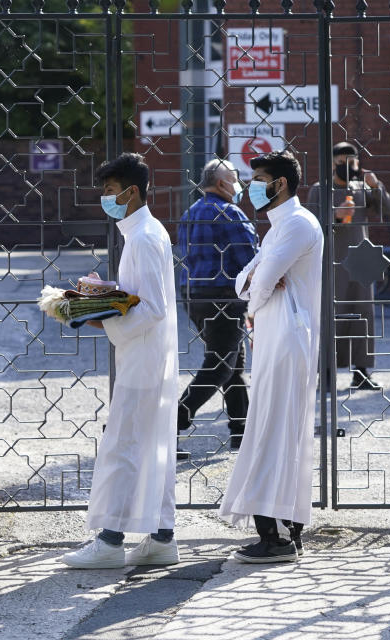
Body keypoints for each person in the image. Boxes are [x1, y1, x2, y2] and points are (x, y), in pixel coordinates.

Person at [59, 153, 180, 569]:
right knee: (152, 445)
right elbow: (136, 295)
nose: (104, 198)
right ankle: (162, 539)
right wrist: (105, 291)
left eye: (110, 191)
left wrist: (95, 317)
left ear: (132, 192)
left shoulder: (144, 236)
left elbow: (152, 308)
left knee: (124, 444)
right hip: (148, 356)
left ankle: (110, 542)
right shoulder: (144, 232)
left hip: (143, 357)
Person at [219, 150, 323, 563]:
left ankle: (278, 537)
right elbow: (247, 279)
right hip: (273, 336)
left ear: (279, 184)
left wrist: (255, 289)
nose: (252, 186)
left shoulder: (298, 224)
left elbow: (258, 281)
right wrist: (256, 287)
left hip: (287, 340)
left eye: (259, 178)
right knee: (272, 431)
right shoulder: (277, 227)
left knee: (278, 434)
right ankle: (280, 532)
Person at [177, 159, 256, 453]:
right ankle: (174, 423)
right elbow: (251, 259)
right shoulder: (230, 212)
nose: (239, 185)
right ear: (222, 183)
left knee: (231, 365)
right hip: (224, 297)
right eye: (235, 179)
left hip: (195, 297)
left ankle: (242, 431)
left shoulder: (190, 212)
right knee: (220, 366)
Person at [306, 141, 390, 391]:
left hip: (362, 261)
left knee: (363, 316)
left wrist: (377, 187)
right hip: (332, 261)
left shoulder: (362, 188)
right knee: (331, 315)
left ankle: (362, 372)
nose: (347, 166)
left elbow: (386, 209)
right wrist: (335, 216)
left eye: (352, 161)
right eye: (342, 162)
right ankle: (326, 373)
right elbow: (310, 225)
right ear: (332, 164)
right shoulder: (319, 190)